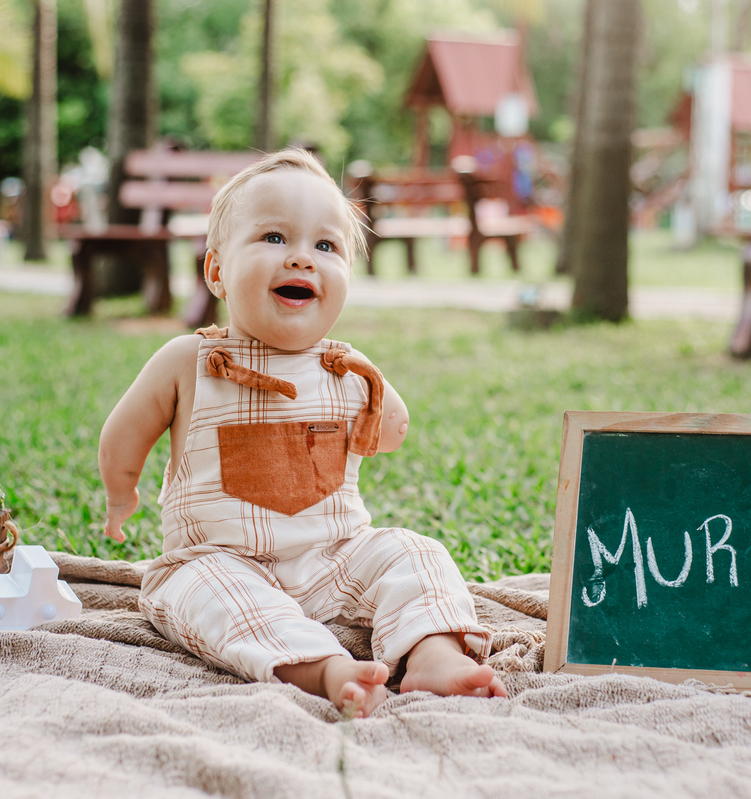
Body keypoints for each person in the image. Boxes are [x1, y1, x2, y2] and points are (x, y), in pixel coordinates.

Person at [98, 148, 506, 717]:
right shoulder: (190, 360)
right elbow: (125, 433)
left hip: (333, 559)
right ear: (216, 272)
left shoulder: (345, 368)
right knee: (210, 595)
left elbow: (391, 431)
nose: (301, 259)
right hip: (219, 558)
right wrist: (121, 493)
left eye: (326, 246)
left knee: (414, 552)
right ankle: (323, 668)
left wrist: (370, 386)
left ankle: (433, 655)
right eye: (273, 238)